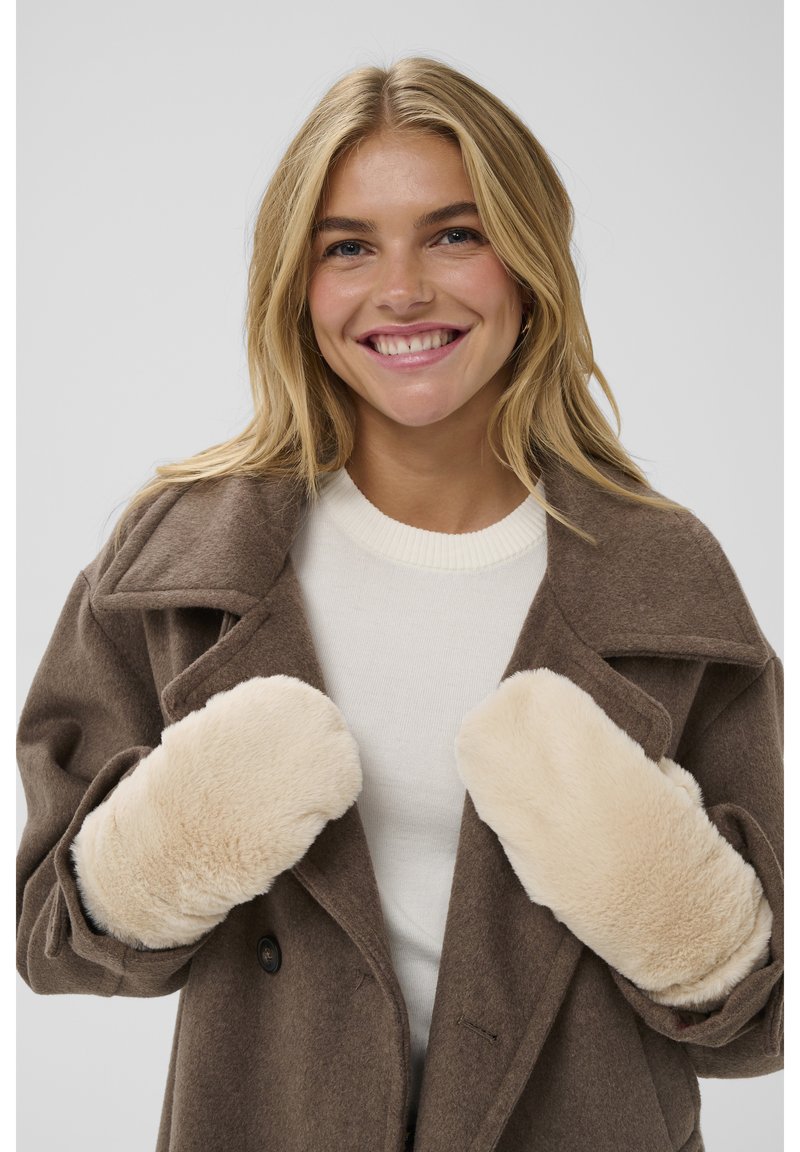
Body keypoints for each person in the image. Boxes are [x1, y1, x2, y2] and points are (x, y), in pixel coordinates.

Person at [16, 57, 782, 1152]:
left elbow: (759, 1004)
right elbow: (49, 936)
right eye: (349, 246)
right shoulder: (177, 563)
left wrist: (644, 878)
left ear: (528, 264)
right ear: (297, 285)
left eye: (453, 233)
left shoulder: (666, 579)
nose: (403, 288)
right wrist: (186, 829)